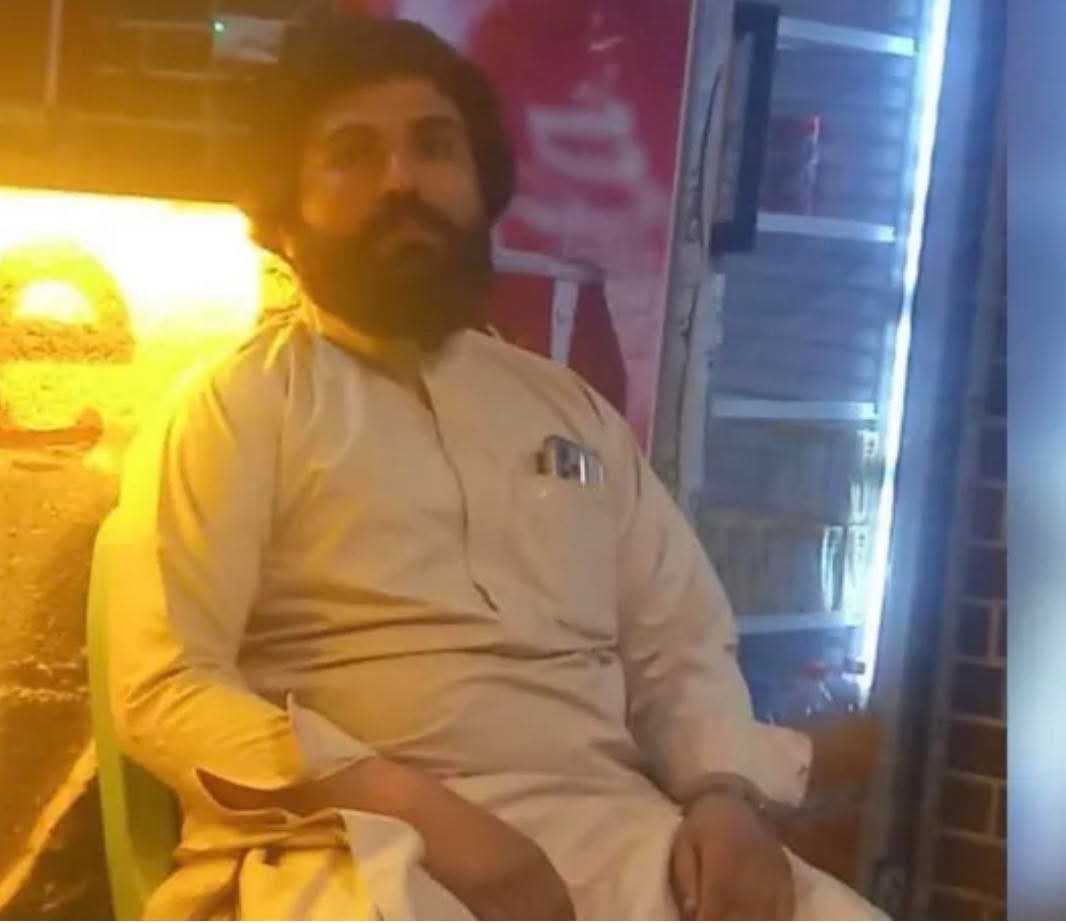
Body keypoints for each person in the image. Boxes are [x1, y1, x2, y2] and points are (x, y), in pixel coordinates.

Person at [98, 14, 886, 921]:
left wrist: (725, 795)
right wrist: (415, 807)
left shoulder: (569, 411)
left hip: (616, 830)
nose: (402, 180)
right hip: (348, 838)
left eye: (435, 146)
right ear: (286, 211)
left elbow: (677, 644)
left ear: (482, 184)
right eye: (352, 154)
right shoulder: (237, 407)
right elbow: (165, 686)